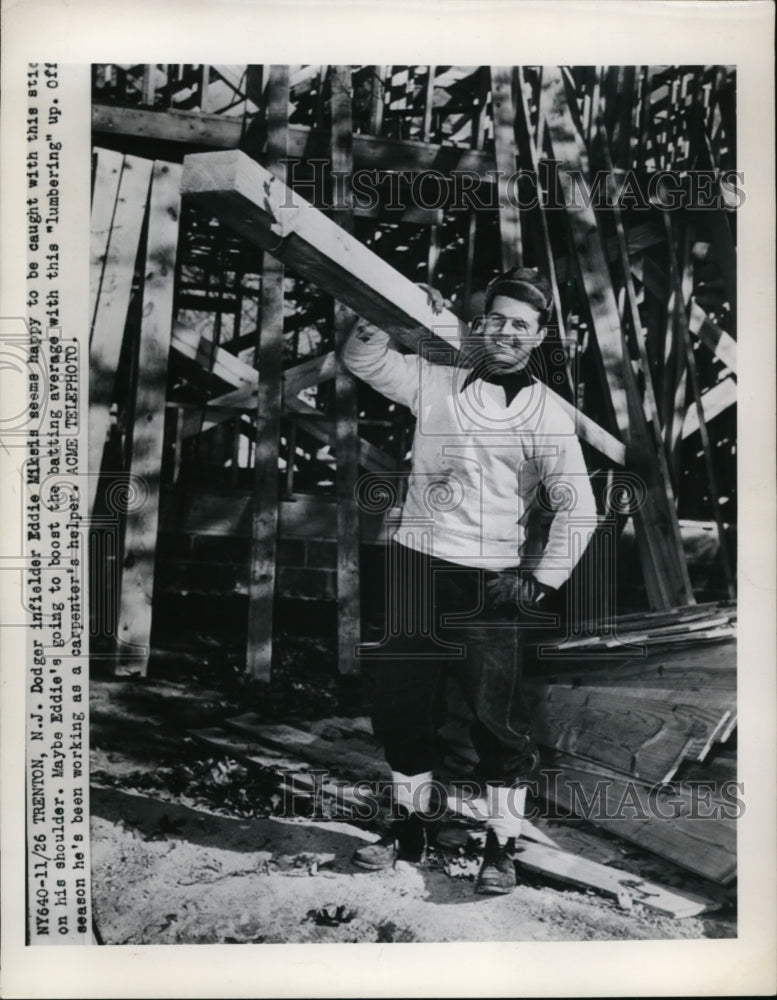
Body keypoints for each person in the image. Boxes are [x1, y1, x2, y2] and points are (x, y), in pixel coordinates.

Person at [341, 267, 597, 893]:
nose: (506, 332)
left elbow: (579, 507)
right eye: (496, 319)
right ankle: (408, 831)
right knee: (401, 708)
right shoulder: (436, 380)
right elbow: (362, 358)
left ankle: (501, 849)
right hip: (414, 565)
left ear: (537, 337)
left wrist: (539, 581)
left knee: (494, 723)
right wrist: (389, 306)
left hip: (489, 583)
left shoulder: (547, 418)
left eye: (521, 325)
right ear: (478, 325)